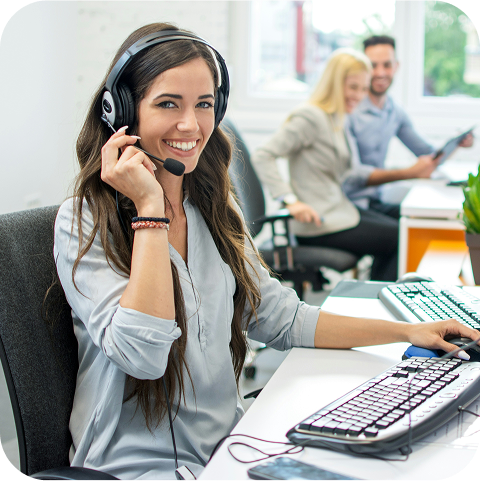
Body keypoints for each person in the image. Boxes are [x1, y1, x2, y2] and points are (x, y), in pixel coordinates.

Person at [53, 24, 480, 481]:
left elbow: (281, 318)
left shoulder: (210, 208)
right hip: (137, 469)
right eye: (167, 104)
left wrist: (406, 332)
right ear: (121, 111)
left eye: (204, 105)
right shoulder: (83, 222)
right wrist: (151, 212)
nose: (191, 125)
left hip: (229, 448)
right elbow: (143, 357)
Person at [252, 48, 402, 281]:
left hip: (338, 211)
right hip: (317, 223)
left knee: (402, 229)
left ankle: (376, 298)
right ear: (333, 83)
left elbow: (349, 170)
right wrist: (290, 200)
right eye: (353, 87)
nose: (360, 95)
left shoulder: (336, 117)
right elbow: (264, 155)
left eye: (364, 88)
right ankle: (380, 304)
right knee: (399, 238)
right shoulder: (310, 117)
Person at [347, 35, 474, 217]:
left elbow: (428, 154)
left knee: (429, 221)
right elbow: (353, 174)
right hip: (351, 205)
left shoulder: (394, 111)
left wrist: (456, 144)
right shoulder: (350, 110)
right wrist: (410, 172)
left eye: (387, 65)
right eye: (373, 65)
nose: (381, 72)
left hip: (376, 201)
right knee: (403, 234)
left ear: (396, 66)